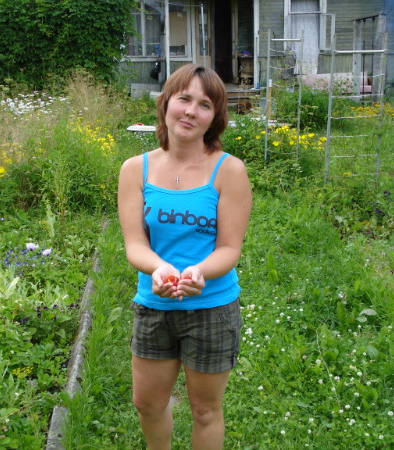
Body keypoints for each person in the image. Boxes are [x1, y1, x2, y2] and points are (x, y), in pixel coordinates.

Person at [118, 63, 252, 450]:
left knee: (205, 410)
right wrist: (159, 268)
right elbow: (135, 244)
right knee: (147, 404)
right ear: (165, 104)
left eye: (205, 105)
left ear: (215, 118)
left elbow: (229, 249)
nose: (191, 111)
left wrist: (198, 272)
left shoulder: (229, 171)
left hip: (212, 307)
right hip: (154, 303)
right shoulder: (135, 169)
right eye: (184, 99)